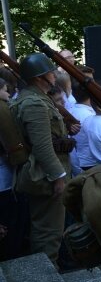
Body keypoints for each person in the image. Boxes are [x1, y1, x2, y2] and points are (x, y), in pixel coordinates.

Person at [11, 53, 72, 265]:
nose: (54, 75)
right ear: (39, 77)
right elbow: (43, 146)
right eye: (50, 72)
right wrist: (58, 177)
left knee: (50, 230)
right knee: (48, 232)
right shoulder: (34, 104)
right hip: (46, 176)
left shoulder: (37, 99)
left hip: (46, 172)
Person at [0, 77, 29, 261]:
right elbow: (13, 145)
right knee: (11, 229)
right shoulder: (2, 107)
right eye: (5, 90)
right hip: (4, 181)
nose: (8, 94)